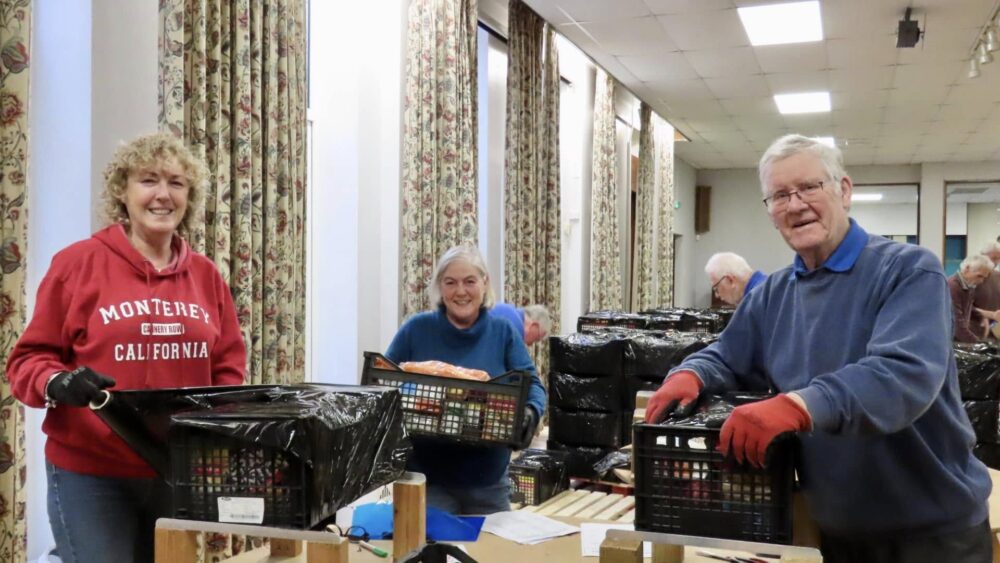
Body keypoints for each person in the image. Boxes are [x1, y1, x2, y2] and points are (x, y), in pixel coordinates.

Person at [645, 134, 991, 562]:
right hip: (838, 531)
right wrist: (691, 373)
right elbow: (727, 355)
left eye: (810, 187)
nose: (795, 204)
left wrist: (796, 406)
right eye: (779, 195)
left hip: (932, 536)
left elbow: (902, 376)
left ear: (843, 191)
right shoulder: (772, 294)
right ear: (770, 212)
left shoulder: (908, 270)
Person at [6, 133, 246, 563]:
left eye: (176, 183)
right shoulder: (78, 263)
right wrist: (59, 383)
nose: (162, 195)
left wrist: (220, 423)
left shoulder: (206, 275)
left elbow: (227, 366)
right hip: (91, 472)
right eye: (148, 180)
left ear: (189, 197)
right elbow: (27, 360)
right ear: (123, 190)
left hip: (176, 470)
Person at [385, 245, 546, 515]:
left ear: (485, 284)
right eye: (451, 282)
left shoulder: (502, 332)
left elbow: (533, 386)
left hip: (488, 483)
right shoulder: (416, 329)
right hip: (427, 481)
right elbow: (384, 384)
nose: (461, 291)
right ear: (440, 287)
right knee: (429, 554)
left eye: (470, 281)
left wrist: (530, 412)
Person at [949, 254, 994, 343]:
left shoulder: (968, 286)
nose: (981, 281)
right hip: (951, 339)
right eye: (979, 276)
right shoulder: (953, 286)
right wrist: (978, 344)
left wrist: (981, 317)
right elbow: (957, 323)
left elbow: (968, 307)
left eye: (984, 278)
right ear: (966, 269)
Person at [971, 242, 1000, 334]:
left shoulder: (998, 276)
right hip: (974, 329)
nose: (996, 262)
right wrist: (987, 315)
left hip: (995, 330)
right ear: (982, 256)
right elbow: (963, 307)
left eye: (998, 258)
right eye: (993, 258)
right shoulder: (971, 278)